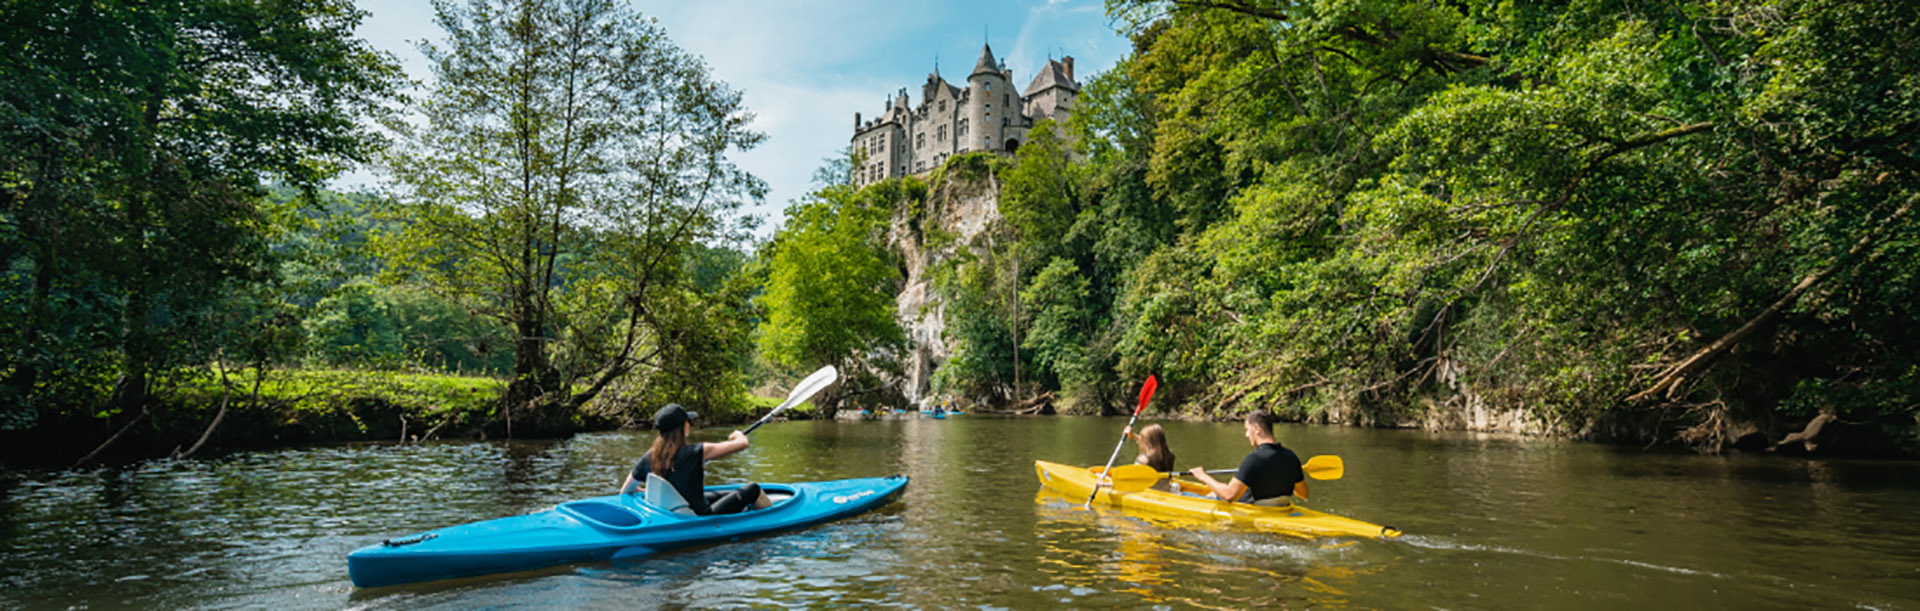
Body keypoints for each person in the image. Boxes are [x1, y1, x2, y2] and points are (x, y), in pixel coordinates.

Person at [619, 404, 771, 515]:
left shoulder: (649, 456)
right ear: (682, 426)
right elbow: (742, 444)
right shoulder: (697, 451)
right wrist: (738, 434)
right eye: (688, 422)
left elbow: (626, 490)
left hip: (672, 510)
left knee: (725, 493)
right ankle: (770, 520)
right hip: (701, 514)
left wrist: (651, 492)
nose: (689, 425)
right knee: (753, 489)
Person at [1189, 411, 1304, 506]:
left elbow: (1229, 495)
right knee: (1213, 494)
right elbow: (1303, 493)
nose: (1246, 435)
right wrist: (1284, 474)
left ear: (1257, 429)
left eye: (1247, 429)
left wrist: (1202, 476)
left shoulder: (1254, 459)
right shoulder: (1291, 456)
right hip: (1281, 508)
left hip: (1255, 508)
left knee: (1183, 495)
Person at [1123, 423, 1177, 492]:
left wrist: (1108, 484)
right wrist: (1132, 435)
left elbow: (1131, 481)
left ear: (1146, 441)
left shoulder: (1143, 460)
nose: (1139, 442)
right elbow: (1146, 441)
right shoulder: (1170, 455)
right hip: (1165, 491)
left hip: (1148, 494)